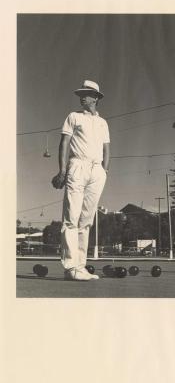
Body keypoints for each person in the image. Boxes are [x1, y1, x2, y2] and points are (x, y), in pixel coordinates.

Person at [51, 80, 110, 280]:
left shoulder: (103, 122)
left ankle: (81, 267)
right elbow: (64, 143)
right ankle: (70, 267)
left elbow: (106, 148)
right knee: (71, 218)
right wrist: (62, 170)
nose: (82, 97)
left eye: (86, 94)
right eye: (80, 94)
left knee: (86, 221)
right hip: (77, 166)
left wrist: (105, 171)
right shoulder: (73, 116)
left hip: (97, 171)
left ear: (96, 98)